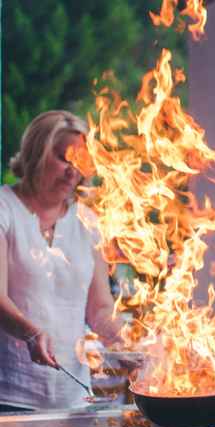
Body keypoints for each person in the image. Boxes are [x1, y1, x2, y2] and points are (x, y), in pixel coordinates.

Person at [0, 110, 118, 411]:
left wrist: (124, 343)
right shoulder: (5, 209)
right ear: (36, 153)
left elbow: (100, 307)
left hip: (75, 399)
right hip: (11, 396)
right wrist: (31, 332)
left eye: (80, 163)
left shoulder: (87, 221)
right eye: (65, 158)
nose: (72, 171)